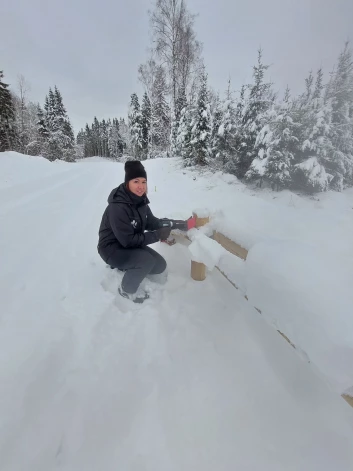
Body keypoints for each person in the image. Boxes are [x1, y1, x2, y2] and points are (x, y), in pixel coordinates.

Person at [97, 160, 180, 303]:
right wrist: (157, 235)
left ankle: (129, 266)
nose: (141, 186)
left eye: (144, 182)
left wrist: (174, 223)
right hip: (111, 249)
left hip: (128, 245)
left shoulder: (140, 201)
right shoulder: (118, 207)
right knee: (146, 261)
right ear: (127, 183)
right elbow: (128, 241)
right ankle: (127, 290)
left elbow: (152, 222)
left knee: (160, 265)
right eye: (136, 181)